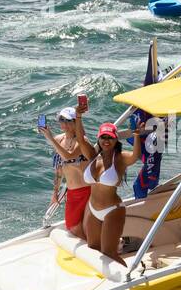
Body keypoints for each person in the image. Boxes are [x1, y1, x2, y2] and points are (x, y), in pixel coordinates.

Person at [78, 121, 145, 266]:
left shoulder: (120, 158)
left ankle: (129, 277)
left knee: (109, 253)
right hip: (93, 209)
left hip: (112, 211)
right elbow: (80, 138)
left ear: (116, 139)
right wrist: (78, 116)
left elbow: (135, 156)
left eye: (110, 137)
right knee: (93, 249)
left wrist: (137, 135)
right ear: (98, 139)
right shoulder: (93, 155)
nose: (106, 141)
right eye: (103, 137)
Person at [39, 103, 91, 238]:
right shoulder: (59, 139)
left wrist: (50, 138)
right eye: (61, 120)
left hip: (87, 191)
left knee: (84, 226)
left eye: (68, 120)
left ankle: (97, 248)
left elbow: (68, 156)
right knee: (73, 226)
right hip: (72, 192)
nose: (64, 123)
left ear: (75, 122)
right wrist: (55, 193)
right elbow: (59, 170)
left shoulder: (81, 141)